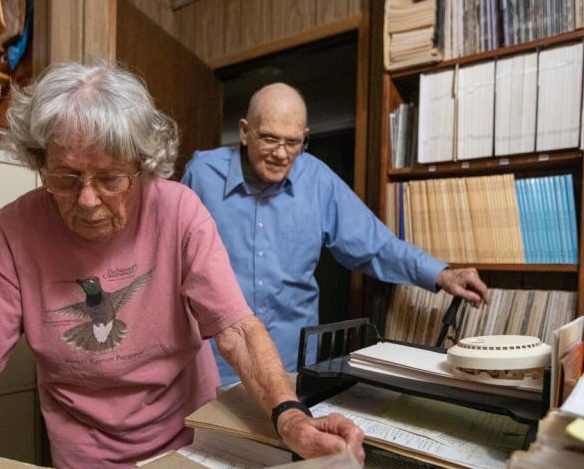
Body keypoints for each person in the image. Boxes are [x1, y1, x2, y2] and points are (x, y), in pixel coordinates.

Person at [0, 63, 365, 469]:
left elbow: (236, 329)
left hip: (191, 437)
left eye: (111, 178)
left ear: (144, 166)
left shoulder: (179, 211)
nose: (88, 199)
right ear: (40, 162)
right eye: (66, 177)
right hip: (82, 457)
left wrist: (292, 418)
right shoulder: (11, 231)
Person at [182, 83, 489, 385]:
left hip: (289, 364)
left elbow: (376, 246)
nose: (280, 153)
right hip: (215, 363)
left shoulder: (318, 180)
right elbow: (171, 263)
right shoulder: (202, 175)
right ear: (245, 131)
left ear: (304, 138)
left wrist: (442, 274)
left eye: (292, 142)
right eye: (270, 138)